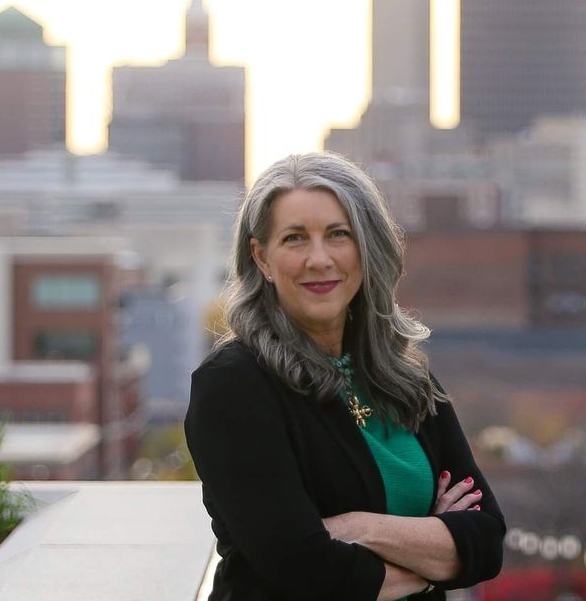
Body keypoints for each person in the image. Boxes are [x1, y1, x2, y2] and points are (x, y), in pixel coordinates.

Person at [186, 152, 505, 600]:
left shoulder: (403, 375)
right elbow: (302, 566)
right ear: (262, 257)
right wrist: (436, 554)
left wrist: (360, 529)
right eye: (295, 239)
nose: (320, 259)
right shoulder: (234, 386)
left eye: (339, 235)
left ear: (366, 246)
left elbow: (487, 541)